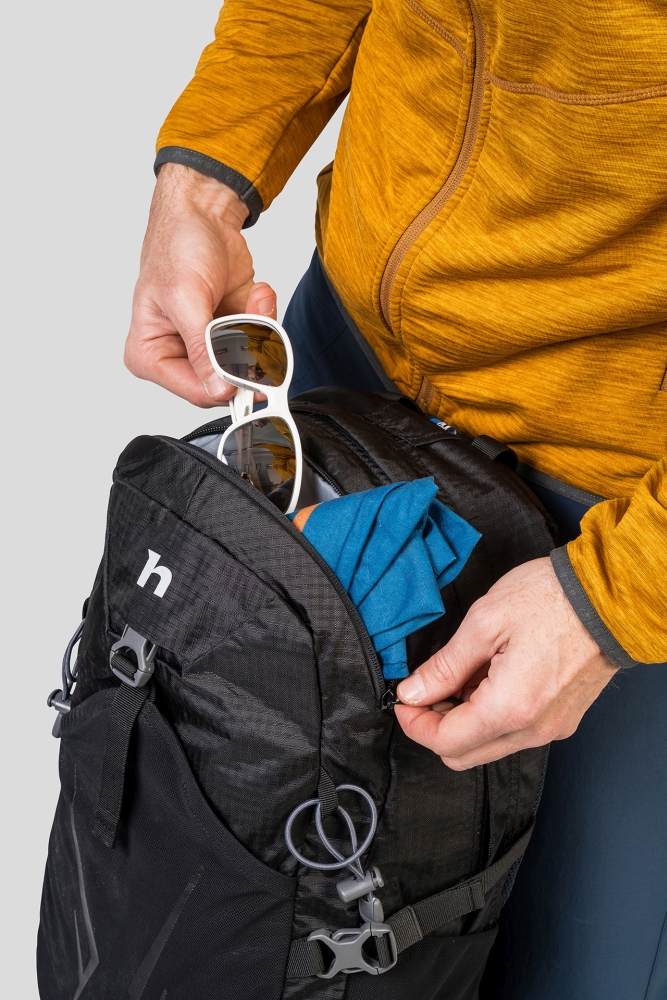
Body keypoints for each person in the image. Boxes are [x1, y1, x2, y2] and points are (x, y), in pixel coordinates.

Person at [124, 3, 667, 996]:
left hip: (610, 509)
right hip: (342, 355)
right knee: (242, 907)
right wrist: (202, 179)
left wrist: (623, 594)